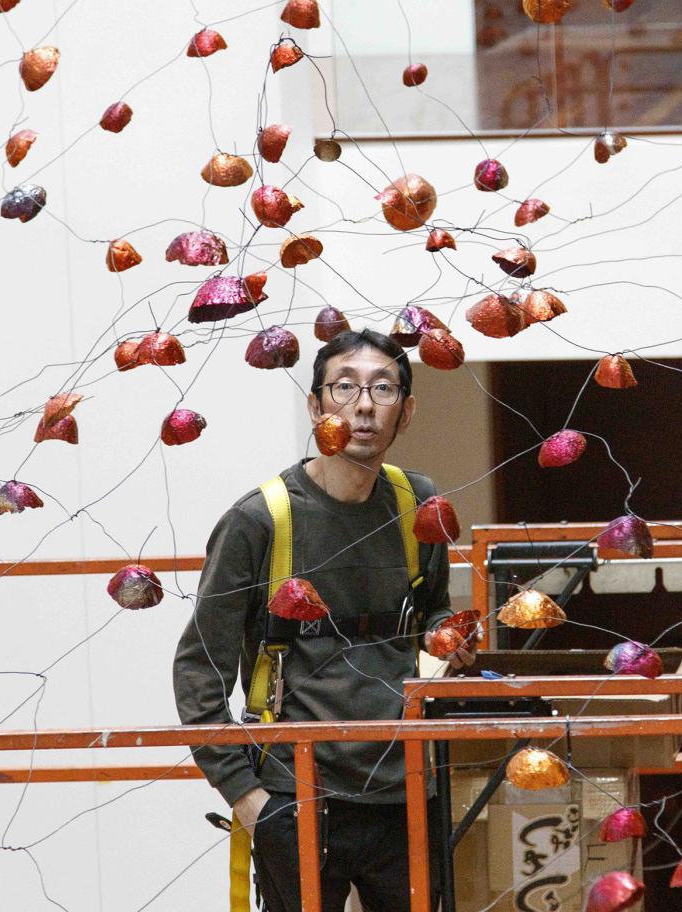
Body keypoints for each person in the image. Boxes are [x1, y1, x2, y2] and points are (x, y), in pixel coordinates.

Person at [173, 328, 474, 912]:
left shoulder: (419, 503)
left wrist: (449, 636)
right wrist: (247, 797)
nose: (363, 405)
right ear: (316, 407)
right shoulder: (260, 521)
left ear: (406, 412)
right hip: (295, 792)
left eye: (383, 389)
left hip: (404, 788)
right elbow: (198, 671)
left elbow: (430, 606)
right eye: (344, 387)